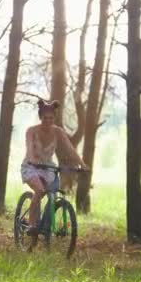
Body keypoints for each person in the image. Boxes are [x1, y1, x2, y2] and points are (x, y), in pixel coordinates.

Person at [20, 99, 88, 234]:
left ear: (54, 118)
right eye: (45, 118)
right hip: (31, 166)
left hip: (48, 168)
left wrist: (82, 165)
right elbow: (29, 148)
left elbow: (70, 150)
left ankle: (45, 226)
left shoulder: (58, 132)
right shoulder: (31, 131)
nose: (48, 121)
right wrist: (33, 159)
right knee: (39, 191)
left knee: (52, 193)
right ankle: (31, 224)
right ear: (40, 117)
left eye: (51, 118)